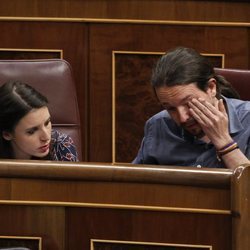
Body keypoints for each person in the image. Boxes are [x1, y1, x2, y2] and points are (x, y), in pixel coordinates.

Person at [133, 47, 250, 169]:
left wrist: (224, 142)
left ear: (211, 88)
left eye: (188, 103)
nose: (183, 118)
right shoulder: (158, 125)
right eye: (171, 109)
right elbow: (135, 184)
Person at [0, 81, 78, 161]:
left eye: (47, 123)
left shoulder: (61, 146)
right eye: (32, 131)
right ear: (7, 134)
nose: (46, 137)